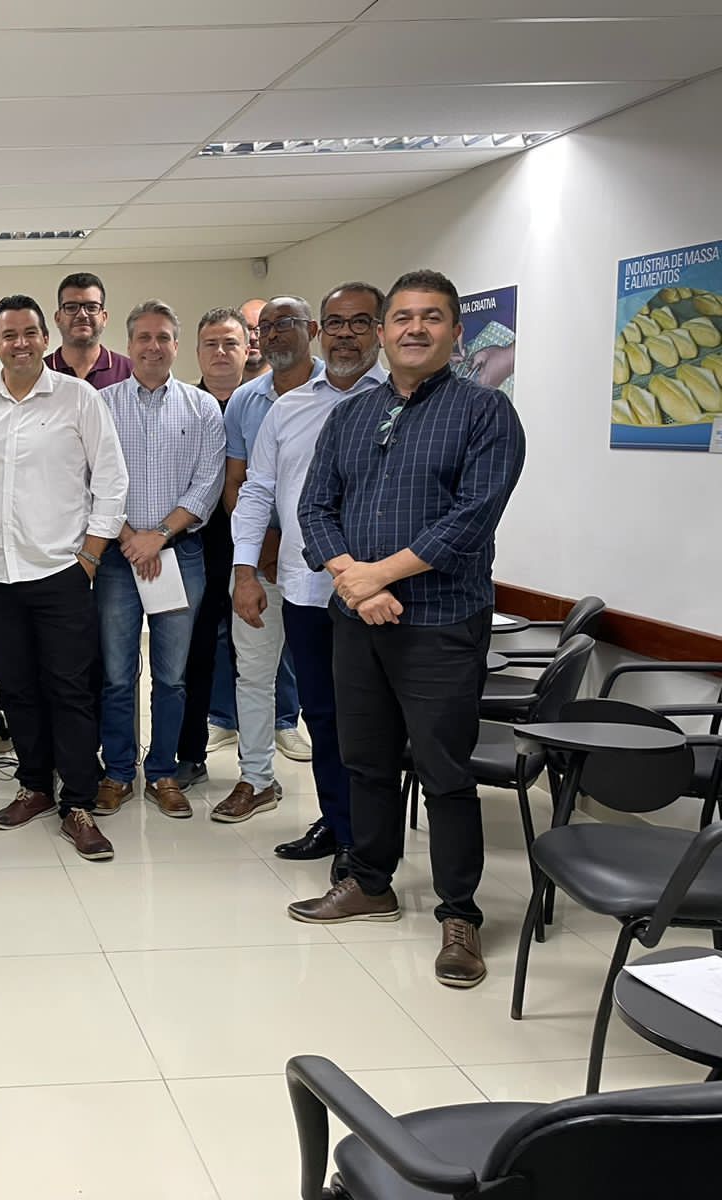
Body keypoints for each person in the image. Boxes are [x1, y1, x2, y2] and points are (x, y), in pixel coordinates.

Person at [291, 269, 526, 990]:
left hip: (441, 624)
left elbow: (470, 519)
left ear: (456, 332)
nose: (414, 328)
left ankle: (460, 914)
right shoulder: (351, 416)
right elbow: (314, 507)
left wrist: (378, 576)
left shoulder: (486, 413)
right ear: (384, 331)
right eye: (402, 317)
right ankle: (370, 881)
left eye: (431, 317)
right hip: (358, 620)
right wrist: (353, 580)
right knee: (364, 760)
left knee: (444, 772)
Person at [0, 295, 128, 863]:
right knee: (17, 688)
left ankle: (78, 803)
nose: (20, 343)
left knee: (70, 689)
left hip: (60, 571)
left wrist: (90, 557)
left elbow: (112, 481)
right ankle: (34, 786)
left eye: (30, 333)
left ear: (45, 339)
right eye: (9, 335)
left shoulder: (79, 398)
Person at [230, 283, 388, 876]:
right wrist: (245, 571)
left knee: (369, 724)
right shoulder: (287, 409)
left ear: (379, 332)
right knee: (321, 715)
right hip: (305, 590)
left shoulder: (400, 401)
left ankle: (369, 843)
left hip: (380, 595)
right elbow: (257, 493)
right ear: (323, 331)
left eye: (359, 323)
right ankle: (339, 826)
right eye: (336, 323)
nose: (346, 335)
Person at [95, 301, 225, 818]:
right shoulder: (101, 404)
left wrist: (159, 536)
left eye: (163, 337)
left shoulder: (202, 407)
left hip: (181, 554)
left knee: (172, 675)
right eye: (144, 337)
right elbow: (90, 477)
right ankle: (117, 772)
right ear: (129, 345)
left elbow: (209, 482)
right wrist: (131, 537)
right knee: (116, 674)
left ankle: (163, 771)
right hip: (117, 558)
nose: (153, 346)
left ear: (176, 345)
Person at [209, 298, 321, 825]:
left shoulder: (356, 393)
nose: (272, 335)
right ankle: (256, 779)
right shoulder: (245, 402)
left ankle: (342, 798)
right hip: (259, 563)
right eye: (266, 327)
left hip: (332, 569)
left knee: (330, 685)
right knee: (252, 675)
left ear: (311, 330)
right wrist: (259, 552)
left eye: (285, 324)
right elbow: (238, 483)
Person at [176, 307, 248, 789]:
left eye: (230, 343)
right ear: (197, 352)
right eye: (211, 344)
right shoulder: (183, 405)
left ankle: (256, 769)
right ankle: (190, 754)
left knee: (255, 664)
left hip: (256, 554)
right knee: (194, 657)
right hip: (195, 551)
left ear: (247, 350)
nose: (220, 353)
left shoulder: (263, 405)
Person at [45, 273, 133, 389]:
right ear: (58, 318)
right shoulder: (39, 373)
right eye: (71, 307)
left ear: (104, 318)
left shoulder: (130, 372)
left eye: (91, 307)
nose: (82, 314)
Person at [240, 297, 269, 381]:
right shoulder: (218, 387)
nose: (252, 337)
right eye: (246, 329)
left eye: (262, 328)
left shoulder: (293, 386)